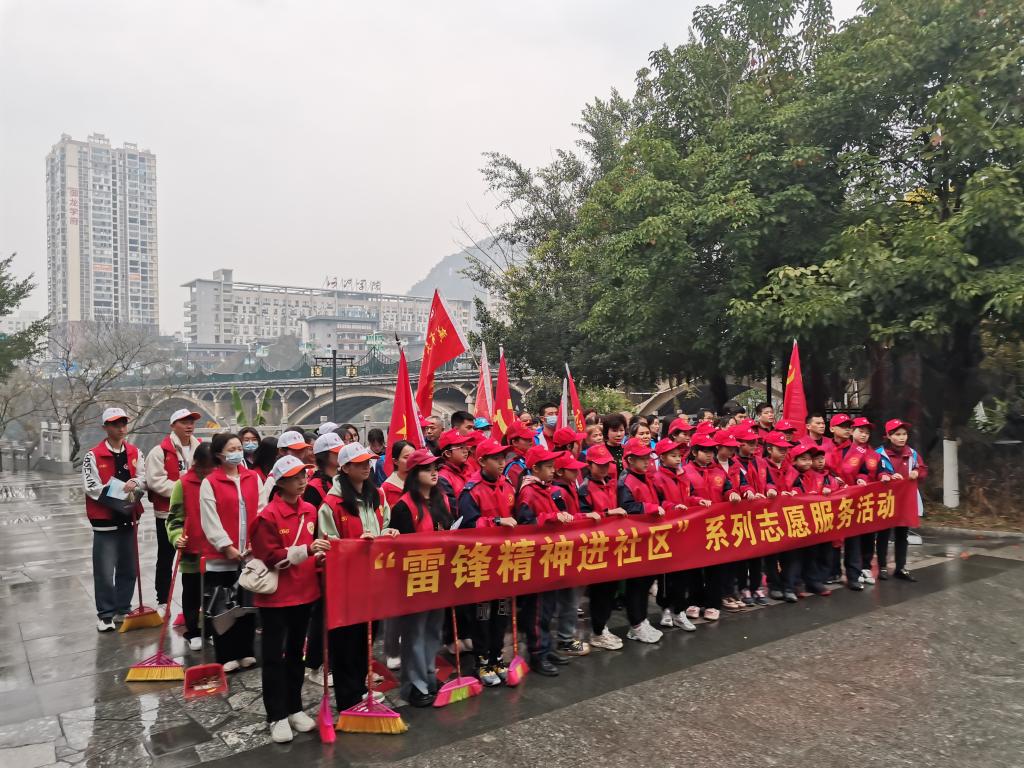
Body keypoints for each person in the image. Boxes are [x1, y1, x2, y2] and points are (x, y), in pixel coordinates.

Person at [249, 455, 331, 744]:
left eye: (303, 475)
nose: (301, 481)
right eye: (295, 477)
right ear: (280, 482)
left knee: (296, 654)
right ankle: (276, 715)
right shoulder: (267, 517)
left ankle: (295, 708)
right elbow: (270, 557)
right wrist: (307, 551)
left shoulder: (310, 509)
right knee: (274, 657)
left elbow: (311, 552)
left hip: (305, 593)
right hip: (275, 597)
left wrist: (318, 557)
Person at [318, 442, 397, 712]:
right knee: (346, 642)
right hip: (346, 584)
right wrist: (354, 544)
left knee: (367, 637)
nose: (366, 467)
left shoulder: (378, 496)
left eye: (368, 462)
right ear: (345, 468)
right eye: (360, 463)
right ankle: (347, 698)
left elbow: (385, 525)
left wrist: (388, 533)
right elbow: (327, 544)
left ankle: (361, 688)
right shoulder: (332, 504)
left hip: (373, 580)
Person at [389, 449, 454, 705]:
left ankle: (428, 675)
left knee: (434, 630)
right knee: (414, 632)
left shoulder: (442, 500)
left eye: (435, 468)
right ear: (415, 474)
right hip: (416, 577)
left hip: (440, 574)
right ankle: (413, 685)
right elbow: (402, 548)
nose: (434, 473)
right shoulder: (403, 506)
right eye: (427, 469)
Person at [199, 432, 262, 670]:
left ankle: (245, 651)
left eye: (239, 448)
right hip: (221, 557)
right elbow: (210, 519)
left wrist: (256, 542)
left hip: (249, 555)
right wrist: (226, 546)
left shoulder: (252, 478)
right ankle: (226, 655)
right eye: (231, 449)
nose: (237, 452)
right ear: (219, 454)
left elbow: (262, 510)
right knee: (222, 607)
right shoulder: (210, 483)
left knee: (246, 605)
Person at [458, 439, 518, 685]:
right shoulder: (470, 491)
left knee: (502, 613)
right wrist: (496, 522)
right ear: (482, 461)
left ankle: (497, 657)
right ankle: (482, 661)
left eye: (503, 457)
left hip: (505, 562)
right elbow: (467, 526)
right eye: (496, 458)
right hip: (481, 565)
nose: (502, 462)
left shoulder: (508, 485)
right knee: (482, 615)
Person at [82, 407, 147, 632]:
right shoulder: (92, 455)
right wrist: (122, 491)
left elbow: (143, 478)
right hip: (105, 521)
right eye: (115, 424)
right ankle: (106, 614)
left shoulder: (135, 452)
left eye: (123, 423)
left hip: (130, 518)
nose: (121, 427)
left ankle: (123, 608)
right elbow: (91, 486)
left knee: (129, 568)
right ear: (105, 427)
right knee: (104, 570)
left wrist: (136, 483)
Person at [515, 445, 566, 675]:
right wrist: (551, 517)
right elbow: (526, 525)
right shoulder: (528, 492)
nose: (553, 471)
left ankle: (547, 646)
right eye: (548, 467)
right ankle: (537, 653)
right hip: (536, 560)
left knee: (548, 608)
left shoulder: (547, 489)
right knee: (536, 610)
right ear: (535, 468)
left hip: (550, 556)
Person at [144, 408, 201, 610]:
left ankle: (195, 603)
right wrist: (183, 490)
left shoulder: (200, 449)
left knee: (194, 558)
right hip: (167, 514)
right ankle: (163, 600)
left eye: (191, 422)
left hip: (196, 513)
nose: (189, 426)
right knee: (165, 558)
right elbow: (155, 481)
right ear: (172, 426)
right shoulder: (159, 452)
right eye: (184, 422)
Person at [680, 435, 740, 621]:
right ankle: (694, 601)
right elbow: (684, 495)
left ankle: (713, 603)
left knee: (716, 565)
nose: (709, 455)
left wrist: (732, 494)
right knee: (694, 565)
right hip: (695, 525)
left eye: (711, 451)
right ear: (694, 452)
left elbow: (727, 488)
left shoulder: (719, 471)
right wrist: (697, 501)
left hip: (717, 524)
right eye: (705, 451)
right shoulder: (685, 472)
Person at [165, 443, 216, 651]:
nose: (206, 472)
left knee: (213, 593)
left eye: (211, 467)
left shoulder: (218, 481)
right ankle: (193, 631)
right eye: (203, 467)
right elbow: (173, 519)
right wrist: (176, 537)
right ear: (195, 463)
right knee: (192, 593)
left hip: (215, 549)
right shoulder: (183, 484)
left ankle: (211, 629)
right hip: (192, 550)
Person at [617, 438, 666, 642]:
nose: (647, 461)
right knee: (636, 583)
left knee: (646, 581)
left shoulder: (645, 477)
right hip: (635, 539)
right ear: (630, 459)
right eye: (642, 458)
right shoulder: (626, 482)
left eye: (647, 457)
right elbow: (627, 507)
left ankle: (642, 619)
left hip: (649, 538)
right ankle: (636, 623)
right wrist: (650, 508)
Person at [578, 444, 627, 650]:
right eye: (599, 465)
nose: (604, 468)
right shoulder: (585, 489)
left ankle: (602, 627)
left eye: (607, 464)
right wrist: (607, 514)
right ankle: (597, 631)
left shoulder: (612, 484)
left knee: (610, 589)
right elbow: (583, 517)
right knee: (600, 591)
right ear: (589, 465)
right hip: (597, 547)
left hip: (614, 545)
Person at [550, 450, 593, 658]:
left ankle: (565, 636)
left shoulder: (569, 487)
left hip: (572, 547)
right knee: (569, 598)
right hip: (565, 549)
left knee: (570, 598)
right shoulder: (558, 491)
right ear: (560, 472)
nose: (577, 472)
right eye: (572, 469)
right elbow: (567, 519)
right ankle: (565, 639)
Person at [649, 439, 695, 631]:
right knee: (667, 574)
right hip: (666, 532)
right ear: (662, 458)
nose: (678, 459)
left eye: (679, 456)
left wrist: (698, 501)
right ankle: (666, 609)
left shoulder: (684, 476)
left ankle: (679, 610)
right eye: (673, 456)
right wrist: (672, 507)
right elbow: (657, 502)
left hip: (685, 530)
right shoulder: (657, 478)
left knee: (683, 572)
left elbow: (690, 496)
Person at [876, 418, 928, 581]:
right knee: (883, 534)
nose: (902, 438)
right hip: (886, 500)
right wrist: (886, 476)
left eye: (904, 434)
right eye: (897, 434)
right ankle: (882, 567)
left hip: (905, 499)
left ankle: (901, 567)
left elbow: (922, 469)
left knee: (902, 534)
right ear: (888, 436)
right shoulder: (879, 454)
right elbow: (873, 472)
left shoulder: (912, 453)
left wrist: (917, 472)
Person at [787, 443, 833, 598]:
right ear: (794, 461)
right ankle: (795, 584)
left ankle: (813, 582)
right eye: (803, 459)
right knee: (795, 555)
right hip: (795, 519)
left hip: (812, 520)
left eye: (809, 459)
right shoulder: (790, 475)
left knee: (812, 552)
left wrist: (826, 490)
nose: (807, 462)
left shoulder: (815, 475)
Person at [258, 431, 311, 509]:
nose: (300, 454)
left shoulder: (309, 471)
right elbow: (265, 505)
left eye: (303, 449)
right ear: (282, 451)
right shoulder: (274, 477)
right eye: (296, 450)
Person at [437, 429, 473, 513]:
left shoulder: (468, 468)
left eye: (465, 446)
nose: (466, 451)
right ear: (448, 453)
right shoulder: (442, 478)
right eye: (460, 447)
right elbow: (453, 509)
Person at [380, 440, 415, 508]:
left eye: (414, 456)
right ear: (395, 461)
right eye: (406, 457)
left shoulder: (422, 482)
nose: (411, 460)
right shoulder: (385, 489)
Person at [502, 421, 534, 489]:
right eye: (526, 439)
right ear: (515, 442)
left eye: (531, 437)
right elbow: (523, 490)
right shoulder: (513, 465)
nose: (531, 441)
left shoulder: (524, 456)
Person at [601, 412, 627, 477]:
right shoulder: (599, 451)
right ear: (606, 431)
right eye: (614, 431)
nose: (619, 434)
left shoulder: (627, 449)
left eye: (621, 430)